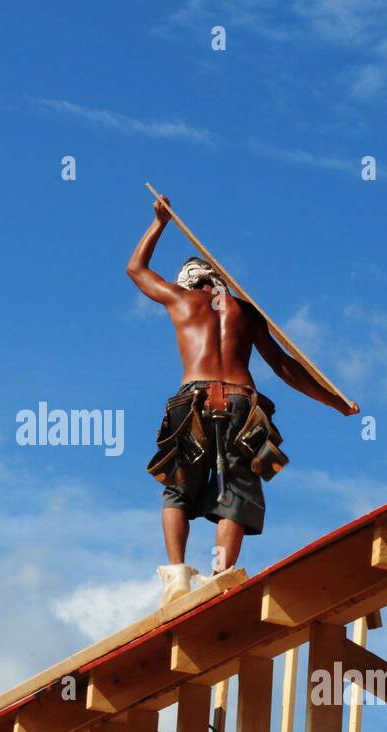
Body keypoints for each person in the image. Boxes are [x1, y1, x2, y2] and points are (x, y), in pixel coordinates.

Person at [126, 195, 356, 605]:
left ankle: (177, 576)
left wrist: (158, 223)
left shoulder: (181, 301)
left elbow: (136, 270)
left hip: (191, 403)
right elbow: (285, 368)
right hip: (242, 404)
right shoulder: (246, 312)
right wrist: (334, 403)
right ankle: (220, 574)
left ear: (190, 282)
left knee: (178, 488)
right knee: (235, 491)